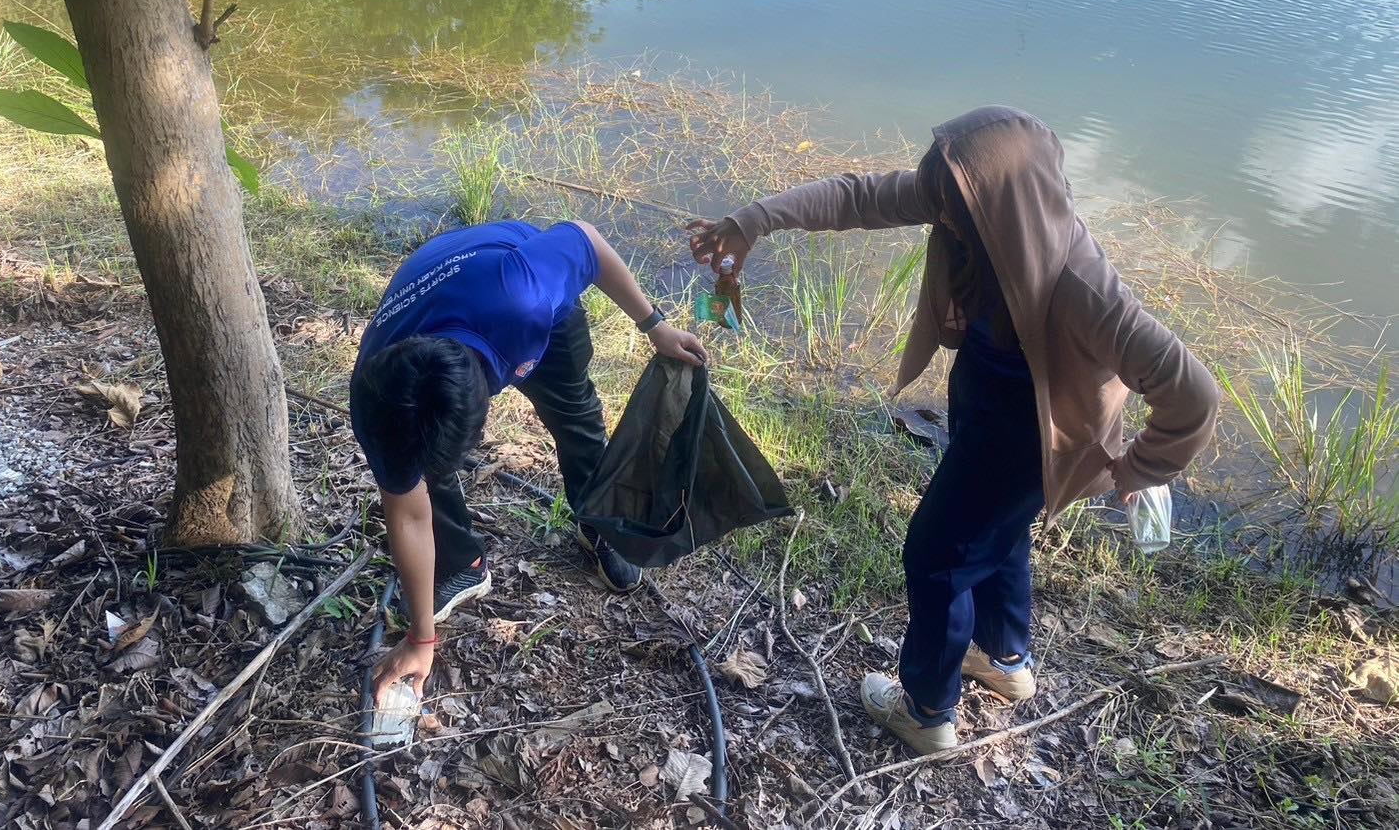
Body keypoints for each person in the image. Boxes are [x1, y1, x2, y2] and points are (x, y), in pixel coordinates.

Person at [688, 106, 1218, 753]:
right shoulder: (972, 209)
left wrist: (1139, 466)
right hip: (985, 399)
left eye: (951, 206)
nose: (937, 214)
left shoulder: (1083, 289)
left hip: (1030, 434)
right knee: (995, 533)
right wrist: (751, 222)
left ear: (996, 206)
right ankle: (1004, 658)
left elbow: (1193, 394)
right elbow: (858, 196)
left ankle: (927, 711)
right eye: (937, 200)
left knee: (937, 558)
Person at [354, 219, 706, 707]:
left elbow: (587, 239)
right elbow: (407, 514)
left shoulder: (522, 292)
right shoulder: (377, 397)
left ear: (485, 398)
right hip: (444, 307)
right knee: (427, 468)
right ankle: (462, 564)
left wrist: (656, 326)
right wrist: (421, 638)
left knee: (575, 415)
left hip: (516, 297)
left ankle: (599, 523)